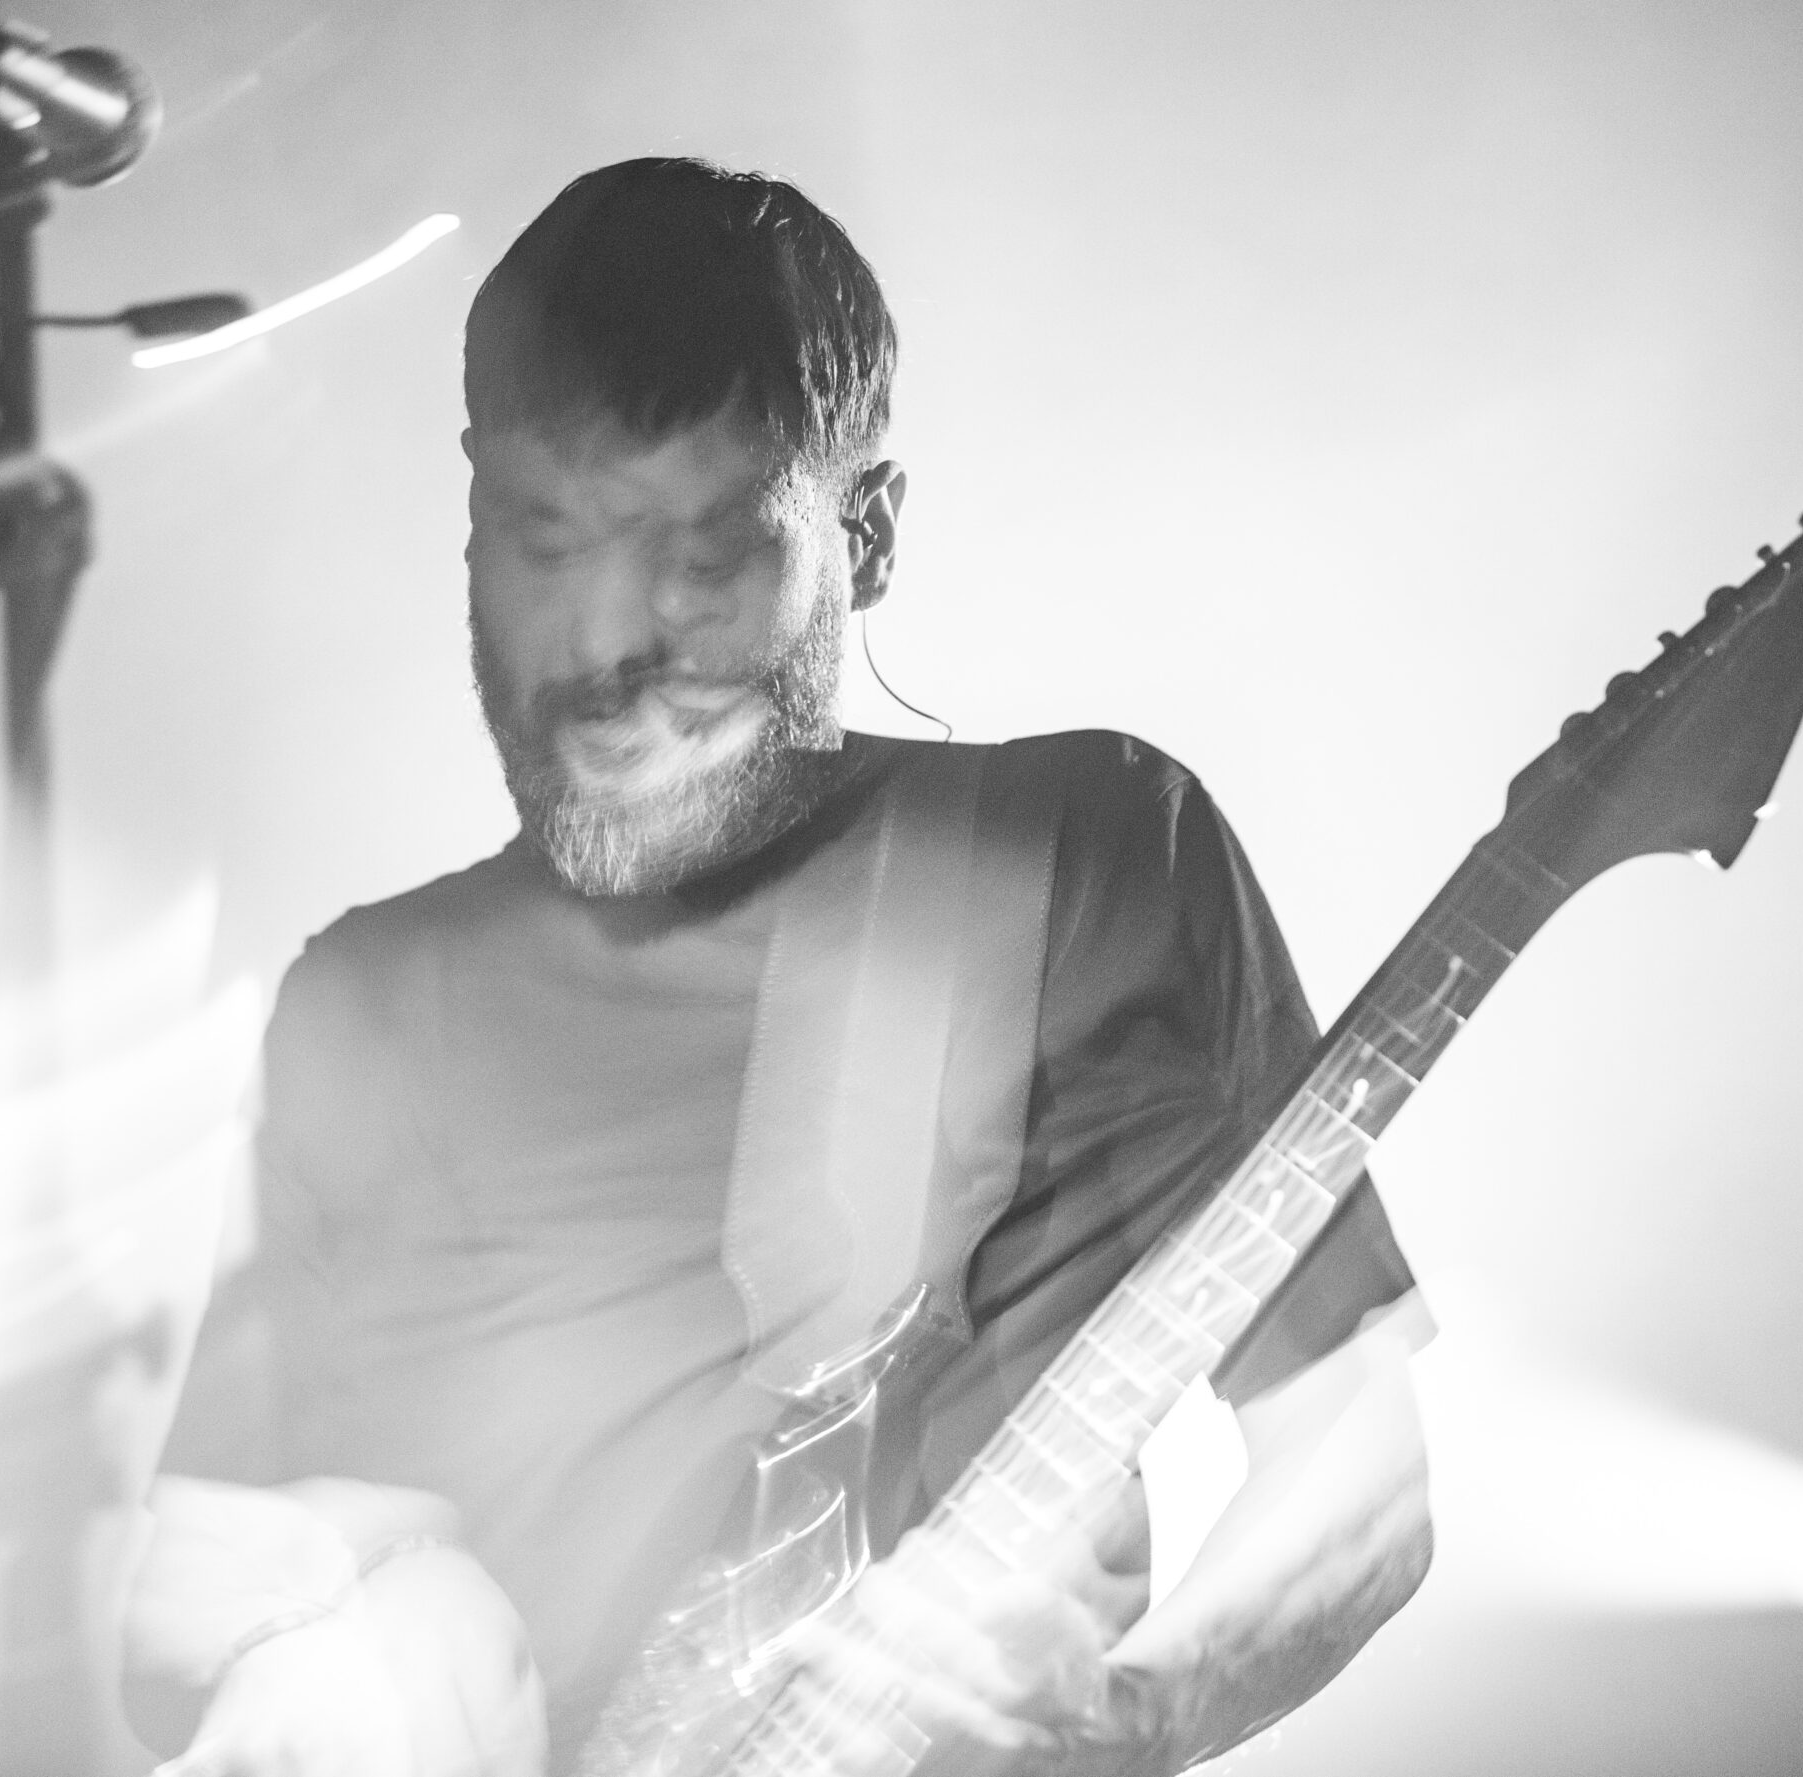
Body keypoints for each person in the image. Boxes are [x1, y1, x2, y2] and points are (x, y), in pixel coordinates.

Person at [122, 157, 1434, 1777]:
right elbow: (184, 1582)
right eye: (539, 536)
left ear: (863, 535)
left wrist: (1133, 1709)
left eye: (701, 554)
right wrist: (342, 1622)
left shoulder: (1074, 855)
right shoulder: (366, 997)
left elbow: (1354, 1442)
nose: (601, 643)